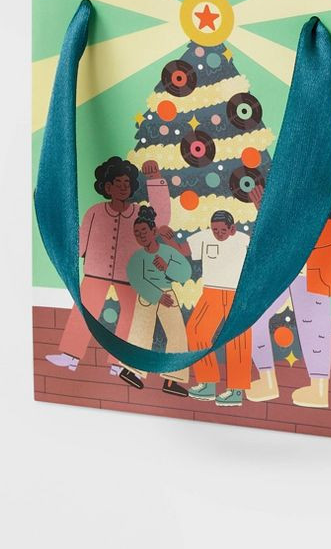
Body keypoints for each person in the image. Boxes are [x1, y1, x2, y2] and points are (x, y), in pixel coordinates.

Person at [44, 156, 171, 384]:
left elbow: (161, 218)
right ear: (107, 187)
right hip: (96, 271)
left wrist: (154, 179)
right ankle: (71, 355)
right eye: (117, 183)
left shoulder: (138, 213)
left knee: (129, 316)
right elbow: (81, 242)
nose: (123, 187)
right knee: (84, 309)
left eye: (127, 183)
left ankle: (118, 362)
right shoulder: (95, 212)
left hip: (129, 275)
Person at [247, 188, 331, 408]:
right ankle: (268, 380)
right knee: (254, 316)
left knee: (314, 323)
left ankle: (319, 390)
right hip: (292, 257)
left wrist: (269, 212)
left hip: (314, 246)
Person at [169, 210, 251, 406]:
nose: (218, 234)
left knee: (237, 338)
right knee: (196, 330)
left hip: (236, 295)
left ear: (232, 229)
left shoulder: (244, 240)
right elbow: (183, 250)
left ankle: (236, 390)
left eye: (223, 230)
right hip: (211, 292)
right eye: (215, 230)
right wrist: (168, 238)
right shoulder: (204, 237)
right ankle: (207, 383)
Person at [122, 206, 192, 396]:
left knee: (177, 334)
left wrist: (167, 267)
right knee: (141, 333)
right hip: (148, 296)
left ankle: (172, 379)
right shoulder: (138, 258)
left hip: (167, 294)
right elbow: (137, 279)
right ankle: (130, 371)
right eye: (137, 233)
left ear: (154, 232)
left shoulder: (168, 252)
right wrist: (156, 296)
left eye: (144, 231)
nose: (141, 236)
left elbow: (185, 273)